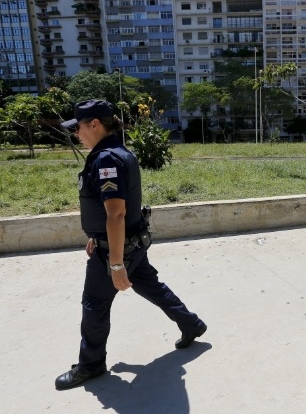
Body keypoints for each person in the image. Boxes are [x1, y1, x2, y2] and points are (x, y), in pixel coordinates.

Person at [55, 100, 207, 390]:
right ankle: (191, 324)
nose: (77, 134)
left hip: (115, 251)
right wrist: (95, 235)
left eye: (79, 128)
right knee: (152, 286)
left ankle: (91, 365)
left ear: (95, 125)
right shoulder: (119, 153)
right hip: (132, 243)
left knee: (94, 306)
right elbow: (111, 211)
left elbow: (116, 212)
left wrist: (114, 263)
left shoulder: (106, 160)